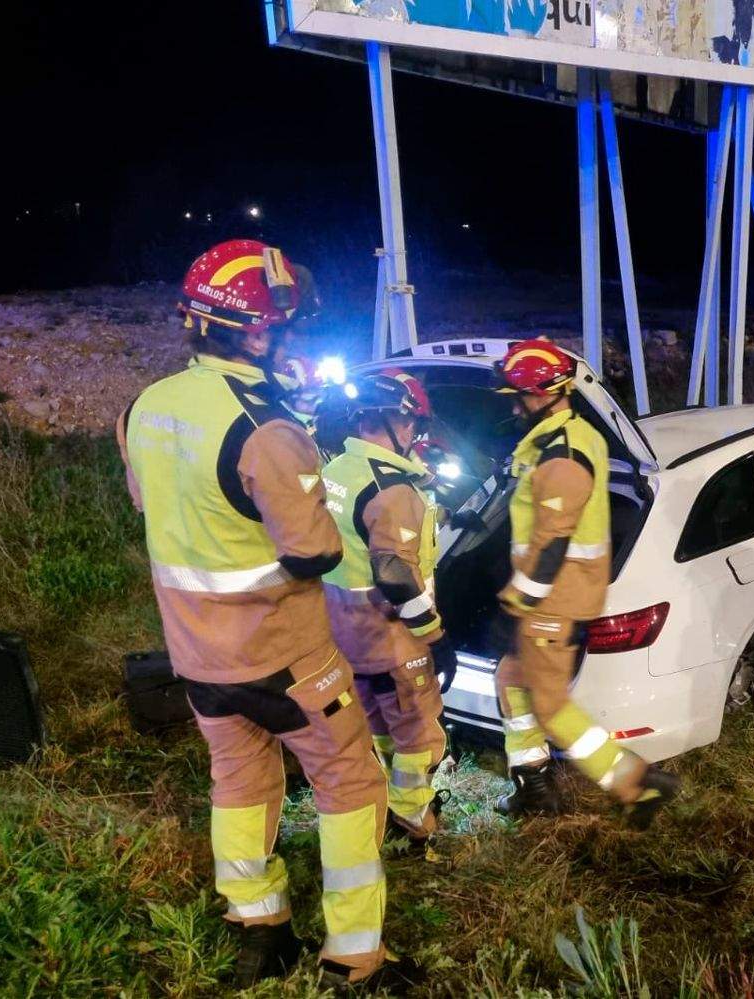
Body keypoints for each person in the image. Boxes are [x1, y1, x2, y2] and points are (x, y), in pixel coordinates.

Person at [117, 240, 415, 991]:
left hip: (196, 656)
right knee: (350, 782)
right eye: (286, 326)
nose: (293, 337)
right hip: (286, 656)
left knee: (239, 778)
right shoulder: (268, 427)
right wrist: (301, 448)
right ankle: (353, 953)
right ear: (254, 333)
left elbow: (153, 505)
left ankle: (258, 923)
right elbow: (313, 551)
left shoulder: (144, 404)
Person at [489, 338, 680, 825]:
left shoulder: (562, 457)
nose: (514, 405)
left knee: (550, 706)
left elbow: (552, 544)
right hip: (551, 597)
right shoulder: (565, 436)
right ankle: (535, 787)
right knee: (512, 681)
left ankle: (636, 785)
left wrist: (516, 603)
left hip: (552, 600)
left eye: (521, 396)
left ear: (550, 392)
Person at [320, 372, 456, 846]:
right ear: (392, 418)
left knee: (379, 718)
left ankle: (385, 790)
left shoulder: (336, 469)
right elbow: (396, 573)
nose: (415, 432)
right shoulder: (393, 492)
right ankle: (413, 818)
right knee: (420, 732)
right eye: (410, 421)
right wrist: (434, 636)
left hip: (344, 630)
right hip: (393, 635)